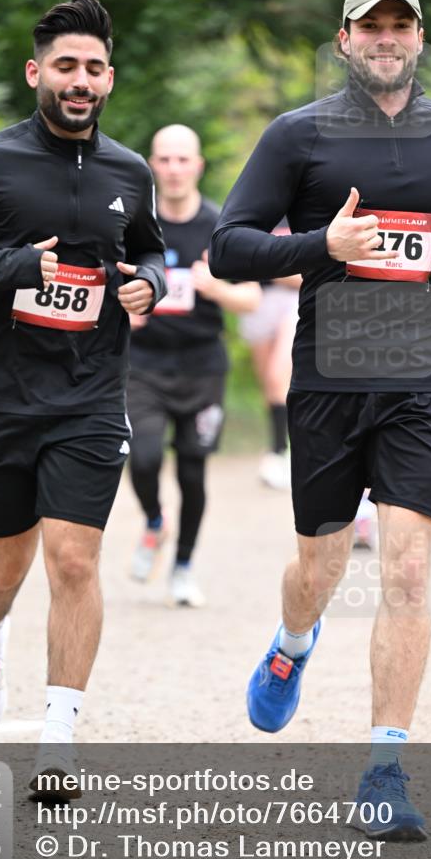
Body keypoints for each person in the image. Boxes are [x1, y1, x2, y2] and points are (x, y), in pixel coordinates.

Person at [210, 0, 431, 838]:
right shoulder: (295, 135)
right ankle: (292, 644)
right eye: (368, 26)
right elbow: (229, 247)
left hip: (420, 379)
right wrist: (321, 245)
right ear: (342, 40)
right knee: (319, 570)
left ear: (419, 40)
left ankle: (383, 770)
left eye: (399, 26)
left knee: (411, 571)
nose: (384, 39)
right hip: (328, 381)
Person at [0, 0, 166, 788]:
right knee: (4, 567)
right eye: (64, 67)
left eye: (92, 69)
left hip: (89, 395)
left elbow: (152, 252)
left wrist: (148, 284)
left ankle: (57, 740)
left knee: (75, 561)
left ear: (109, 79)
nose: (78, 81)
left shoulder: (130, 171)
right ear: (36, 73)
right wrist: (14, 265)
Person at [127, 124, 260, 606]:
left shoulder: (220, 226)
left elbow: (251, 298)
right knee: (140, 457)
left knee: (192, 472)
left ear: (198, 165)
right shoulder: (138, 224)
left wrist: (214, 287)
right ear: (152, 165)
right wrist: (126, 312)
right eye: (165, 160)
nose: (174, 169)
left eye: (183, 160)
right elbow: (112, 289)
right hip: (143, 364)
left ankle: (183, 565)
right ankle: (155, 522)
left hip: (203, 366)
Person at [239, 225, 301, 492]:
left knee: (279, 377)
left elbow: (317, 266)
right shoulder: (257, 207)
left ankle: (282, 453)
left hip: (295, 300)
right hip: (259, 301)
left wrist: (270, 265)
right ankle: (280, 446)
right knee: (270, 386)